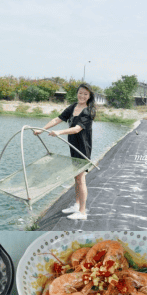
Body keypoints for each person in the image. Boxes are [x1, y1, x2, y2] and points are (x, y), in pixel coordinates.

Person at [35, 83, 96, 220]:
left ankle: (82, 212)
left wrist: (59, 132)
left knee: (81, 178)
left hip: (82, 148)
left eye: (85, 94)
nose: (82, 96)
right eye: (80, 93)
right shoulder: (73, 107)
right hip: (73, 146)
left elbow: (76, 129)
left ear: (89, 96)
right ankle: (76, 205)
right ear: (77, 93)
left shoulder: (88, 111)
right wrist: (42, 129)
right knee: (76, 177)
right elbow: (58, 119)